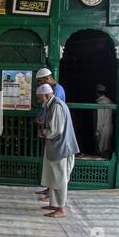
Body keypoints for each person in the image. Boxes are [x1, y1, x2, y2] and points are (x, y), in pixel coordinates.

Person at [36, 84, 79, 218]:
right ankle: (54, 204)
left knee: (60, 179)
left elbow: (56, 130)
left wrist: (43, 132)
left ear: (47, 95)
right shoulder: (52, 105)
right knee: (54, 178)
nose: (39, 101)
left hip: (62, 148)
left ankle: (60, 209)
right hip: (56, 147)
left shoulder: (56, 106)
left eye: (40, 98)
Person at [35, 68, 66, 197]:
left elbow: (51, 110)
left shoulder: (56, 93)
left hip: (56, 136)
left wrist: (42, 122)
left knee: (57, 168)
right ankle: (50, 191)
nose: (40, 85)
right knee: (50, 164)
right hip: (51, 132)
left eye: (41, 82)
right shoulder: (54, 92)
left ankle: (54, 198)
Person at [94, 84, 113, 159]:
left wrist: (97, 131)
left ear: (97, 92)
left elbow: (100, 119)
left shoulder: (101, 103)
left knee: (101, 150)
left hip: (103, 129)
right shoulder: (108, 100)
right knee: (106, 148)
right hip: (109, 127)